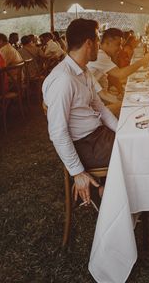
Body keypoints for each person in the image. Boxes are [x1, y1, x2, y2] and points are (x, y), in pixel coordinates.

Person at [43, 18, 118, 207]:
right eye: (98, 39)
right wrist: (77, 172)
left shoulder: (83, 71)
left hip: (98, 136)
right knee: (134, 150)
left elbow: (99, 106)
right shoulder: (63, 79)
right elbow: (57, 132)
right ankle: (108, 196)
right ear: (89, 43)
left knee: (132, 139)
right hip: (86, 144)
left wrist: (120, 130)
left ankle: (106, 191)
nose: (99, 45)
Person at [88, 28, 149, 93]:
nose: (120, 48)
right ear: (107, 43)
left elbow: (112, 76)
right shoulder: (100, 55)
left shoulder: (105, 55)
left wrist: (120, 90)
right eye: (118, 44)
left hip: (101, 94)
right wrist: (142, 61)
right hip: (94, 98)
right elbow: (120, 74)